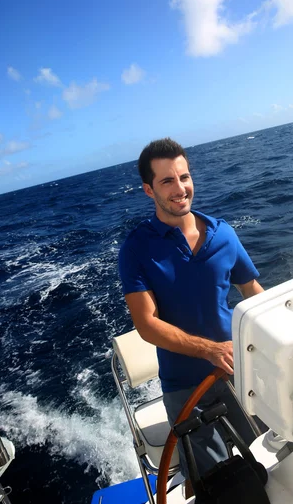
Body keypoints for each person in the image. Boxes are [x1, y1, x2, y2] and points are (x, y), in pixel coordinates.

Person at [118, 137, 264, 481]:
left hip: (239, 369)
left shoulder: (223, 233)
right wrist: (208, 350)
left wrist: (278, 337)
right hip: (185, 388)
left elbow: (252, 291)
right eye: (167, 180)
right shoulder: (137, 248)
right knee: (217, 483)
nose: (180, 188)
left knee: (272, 456)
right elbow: (147, 324)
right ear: (148, 190)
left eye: (184, 177)